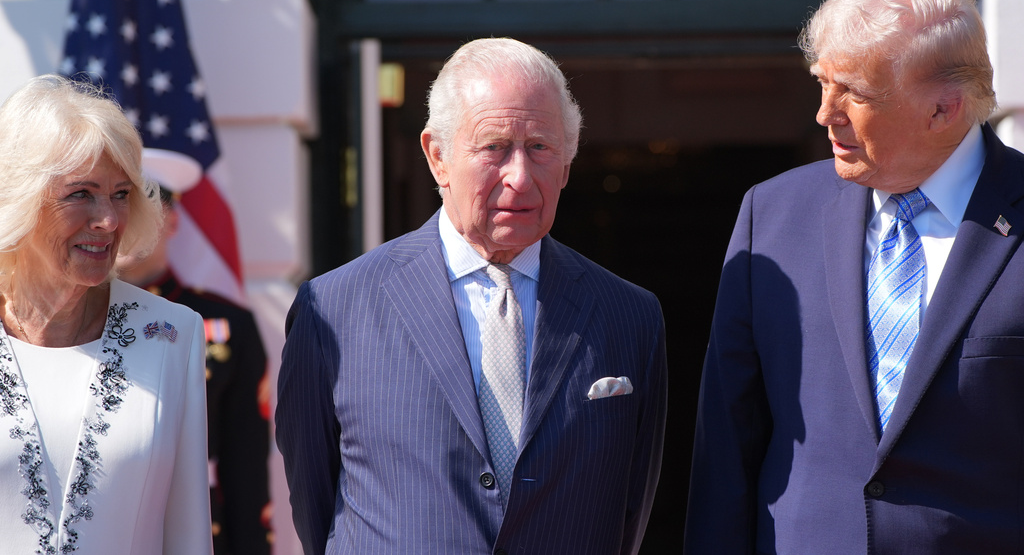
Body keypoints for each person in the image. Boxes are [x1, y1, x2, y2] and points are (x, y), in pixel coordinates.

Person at [277, 37, 668, 554]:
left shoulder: (630, 316)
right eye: (494, 147)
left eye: (540, 148)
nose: (520, 176)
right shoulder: (333, 310)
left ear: (568, 165)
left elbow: (630, 513)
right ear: (437, 156)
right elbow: (315, 502)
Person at [684, 0, 1023, 554]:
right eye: (822, 83)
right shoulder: (772, 214)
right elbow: (727, 445)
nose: (825, 113)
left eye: (855, 93)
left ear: (944, 109)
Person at [0, 74, 212, 554]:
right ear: (19, 198)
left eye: (121, 194)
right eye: (81, 194)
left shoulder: (172, 335)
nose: (109, 220)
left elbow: (189, 534)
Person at [117, 148, 272, 555]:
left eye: (142, 206)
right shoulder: (66, 319)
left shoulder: (226, 324)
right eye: (118, 204)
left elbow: (246, 468)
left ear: (172, 219)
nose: (124, 221)